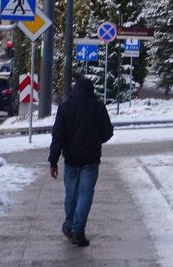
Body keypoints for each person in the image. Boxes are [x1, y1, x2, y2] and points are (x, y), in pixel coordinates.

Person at [49, 76, 114, 247]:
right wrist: (95, 139)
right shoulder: (98, 107)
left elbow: (58, 136)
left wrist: (53, 161)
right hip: (91, 160)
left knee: (71, 194)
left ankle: (70, 226)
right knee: (85, 195)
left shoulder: (65, 108)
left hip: (70, 159)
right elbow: (108, 132)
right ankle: (77, 229)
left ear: (74, 90)